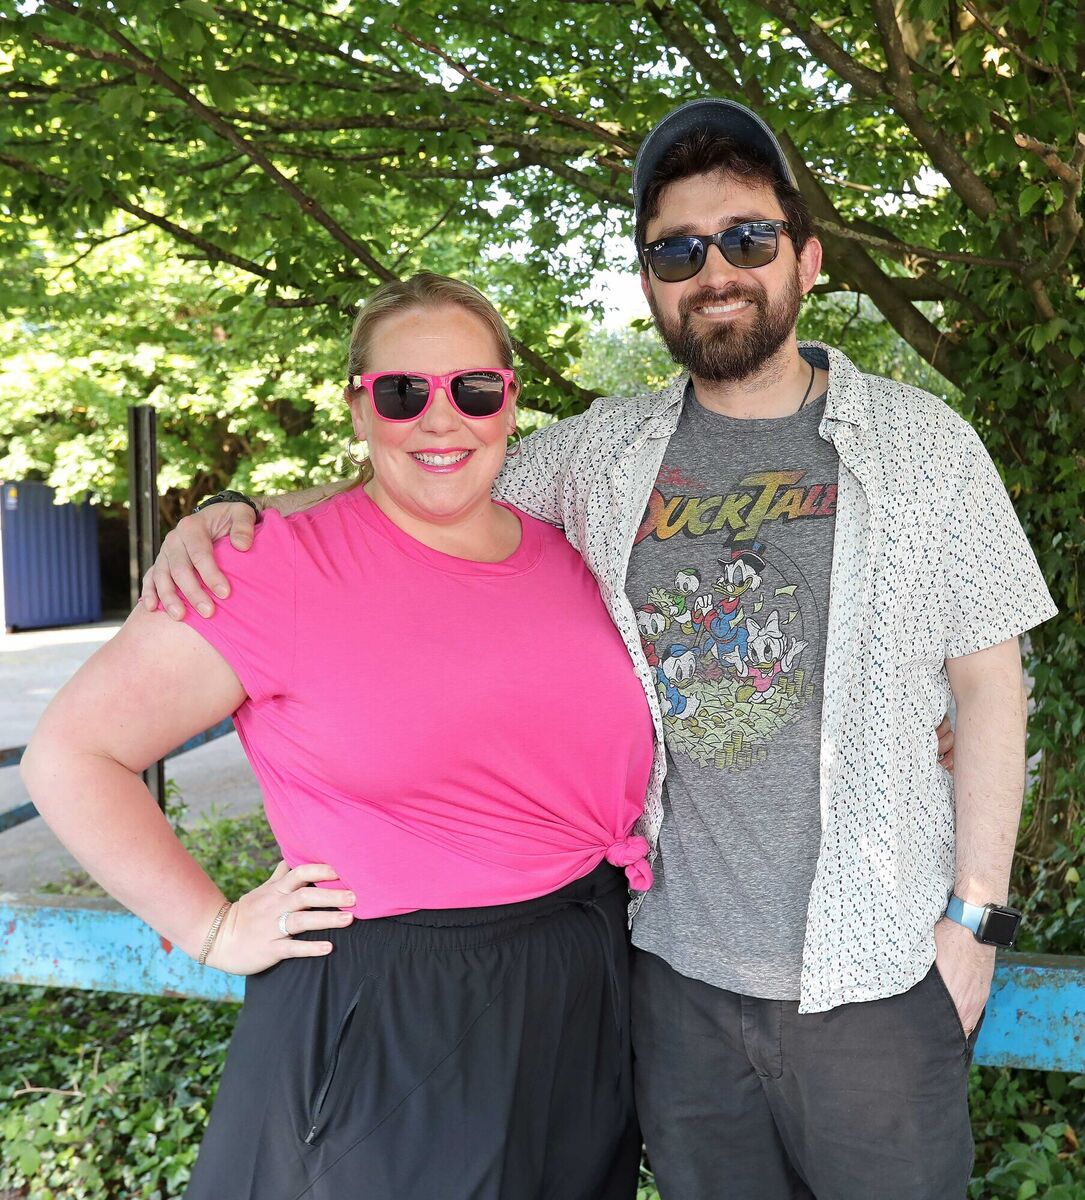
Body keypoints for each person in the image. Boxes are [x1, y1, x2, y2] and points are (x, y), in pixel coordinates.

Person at [139, 101, 1021, 1199]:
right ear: (650, 279)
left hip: (879, 974)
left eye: (746, 238)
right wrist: (238, 513)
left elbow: (989, 681)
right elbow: (433, 463)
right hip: (670, 980)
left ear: (805, 259)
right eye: (677, 250)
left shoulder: (925, 446)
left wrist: (973, 918)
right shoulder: (604, 455)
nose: (715, 270)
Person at [21, 273, 656, 1200]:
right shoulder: (275, 563)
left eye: (472, 389)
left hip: (585, 980)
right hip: (396, 1017)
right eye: (404, 393)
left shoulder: (568, 551)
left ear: (509, 401)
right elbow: (71, 755)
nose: (442, 421)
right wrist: (209, 928)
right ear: (359, 409)